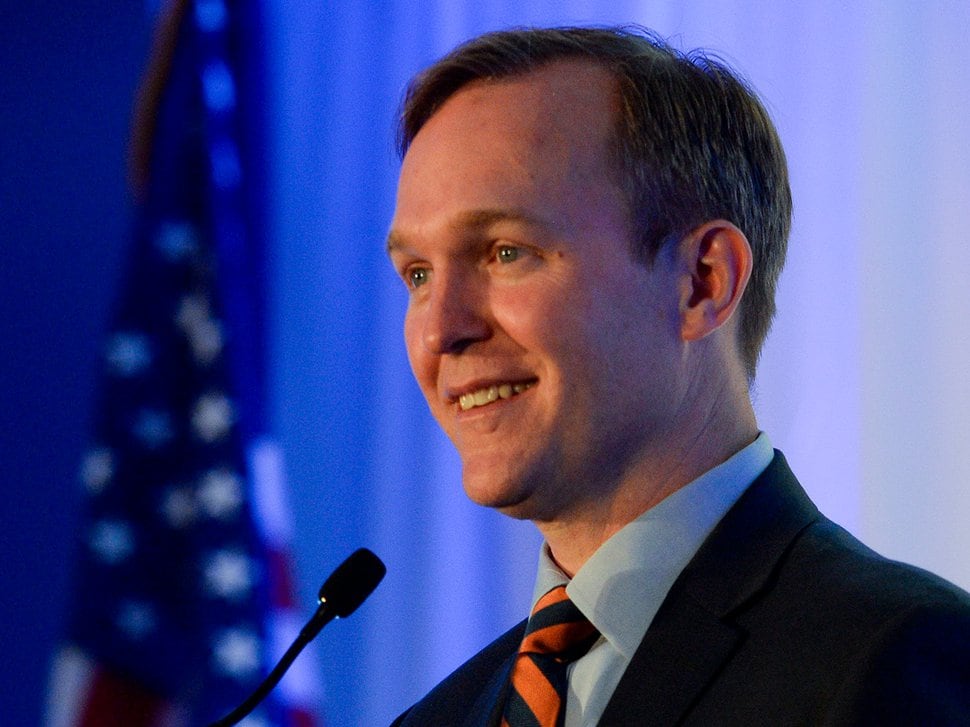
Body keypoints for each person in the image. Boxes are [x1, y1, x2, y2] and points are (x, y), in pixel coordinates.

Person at [385, 26, 970, 726]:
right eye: (417, 273)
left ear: (702, 282)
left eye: (507, 251)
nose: (438, 329)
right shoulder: (436, 718)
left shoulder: (895, 657)